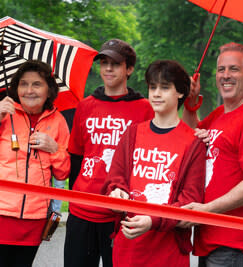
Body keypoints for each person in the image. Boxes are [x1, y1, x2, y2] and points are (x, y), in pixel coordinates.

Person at [181, 42, 243, 266]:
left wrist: (206, 210)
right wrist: (190, 104)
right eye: (221, 69)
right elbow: (188, 138)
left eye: (234, 69)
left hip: (234, 245)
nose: (226, 75)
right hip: (210, 240)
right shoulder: (219, 115)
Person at [102, 60, 206, 267]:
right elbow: (115, 179)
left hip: (167, 252)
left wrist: (152, 221)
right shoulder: (132, 133)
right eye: (152, 87)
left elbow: (190, 201)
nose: (156, 93)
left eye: (165, 87)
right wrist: (116, 191)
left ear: (180, 93)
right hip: (128, 248)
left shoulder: (193, 143)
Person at [0, 60, 70, 267]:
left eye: (36, 84)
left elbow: (63, 172)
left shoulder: (58, 121)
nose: (29, 90)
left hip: (34, 217)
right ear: (16, 88)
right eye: (23, 84)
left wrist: (54, 149)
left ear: (49, 90)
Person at [64, 39, 154, 267]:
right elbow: (76, 155)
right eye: (104, 63)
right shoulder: (85, 105)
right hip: (82, 211)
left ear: (129, 69)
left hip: (119, 213)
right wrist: (75, 195)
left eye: (115, 63)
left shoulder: (144, 108)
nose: (108, 69)